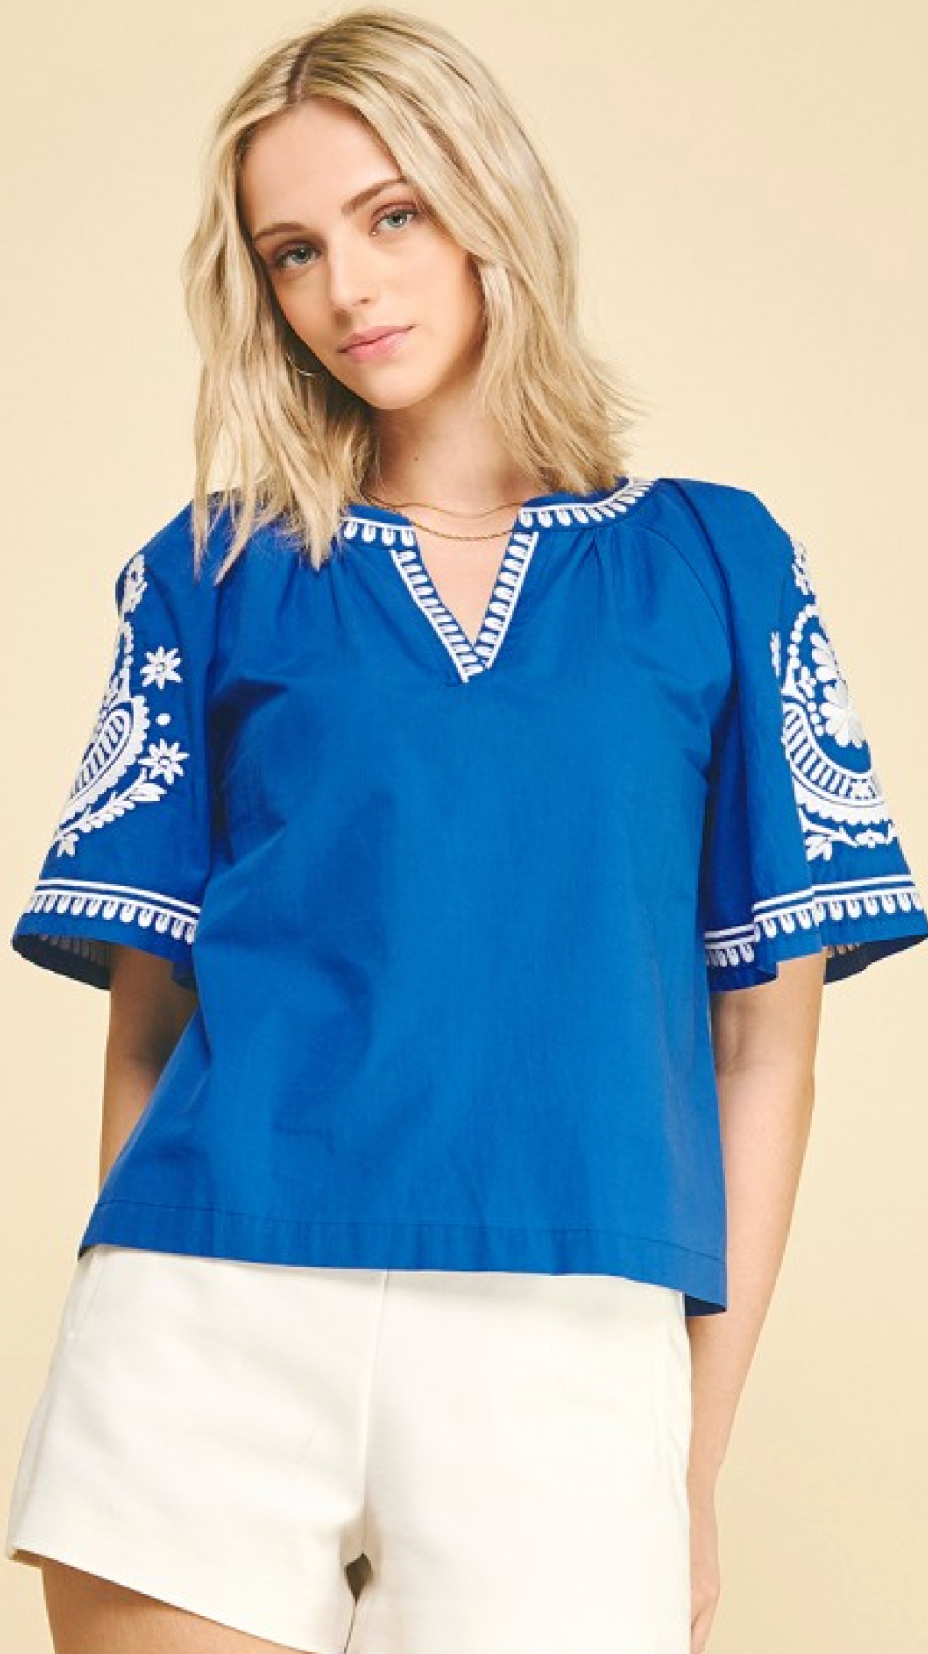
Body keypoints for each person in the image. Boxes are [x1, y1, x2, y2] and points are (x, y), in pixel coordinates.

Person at [5, 7, 927, 1654]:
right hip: (205, 1316)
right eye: (294, 251)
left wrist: (690, 1456)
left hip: (567, 1344)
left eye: (393, 215)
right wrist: (114, 1311)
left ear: (490, 200)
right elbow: (147, 1027)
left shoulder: (718, 566)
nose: (347, 288)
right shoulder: (212, 571)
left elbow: (767, 1048)